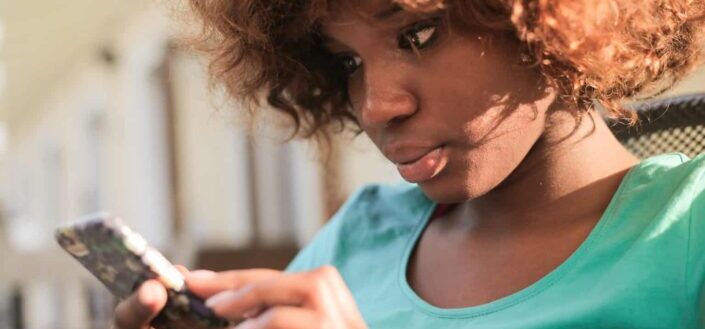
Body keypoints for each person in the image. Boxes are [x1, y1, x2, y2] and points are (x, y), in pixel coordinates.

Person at [114, 0, 705, 328]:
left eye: (418, 34)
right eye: (347, 64)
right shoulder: (359, 237)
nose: (376, 106)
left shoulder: (688, 231)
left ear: (547, 21)